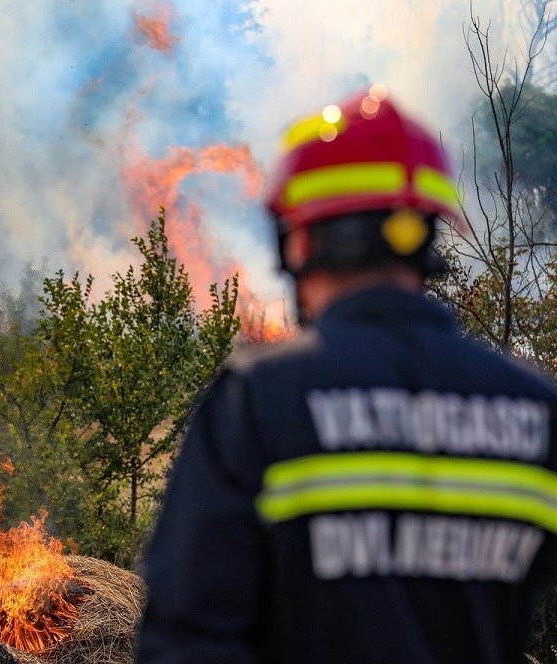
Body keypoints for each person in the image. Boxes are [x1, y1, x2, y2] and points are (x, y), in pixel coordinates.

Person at [135, 89, 557, 663]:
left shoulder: (258, 400)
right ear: (428, 237)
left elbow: (185, 640)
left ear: (300, 240)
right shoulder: (535, 410)